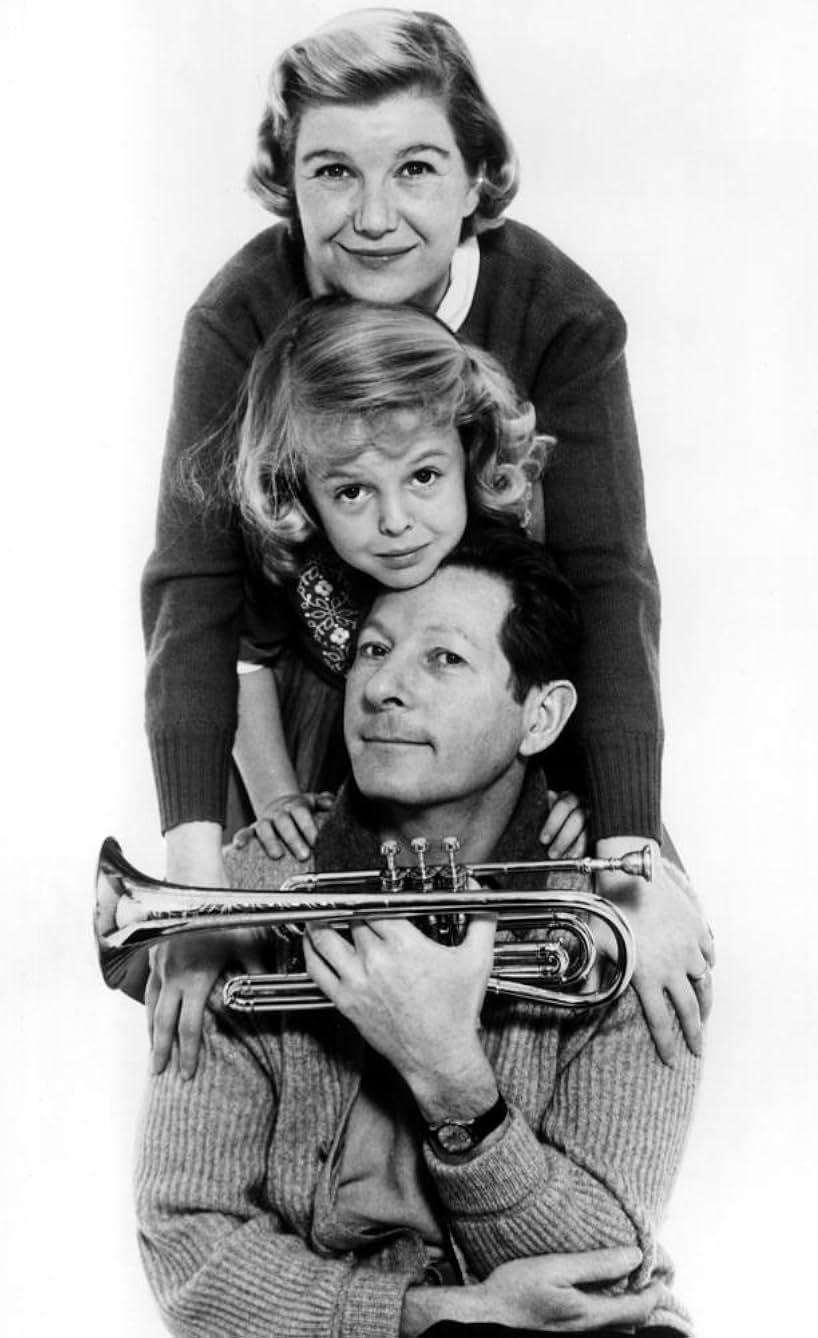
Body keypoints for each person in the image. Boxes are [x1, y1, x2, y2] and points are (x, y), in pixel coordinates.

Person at [142, 7, 713, 1076]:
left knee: (637, 945)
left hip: (503, 671)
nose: (369, 218)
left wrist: (624, 837)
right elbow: (196, 597)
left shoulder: (561, 312)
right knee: (255, 974)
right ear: (286, 181)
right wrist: (197, 875)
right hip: (312, 682)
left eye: (412, 168)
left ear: (477, 176)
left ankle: (555, 1202)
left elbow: (606, 578)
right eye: (329, 174)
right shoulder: (236, 315)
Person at [136, 530, 704, 1337]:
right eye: (372, 650)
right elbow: (186, 1246)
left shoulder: (635, 919)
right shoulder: (252, 890)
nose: (382, 690)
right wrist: (435, 1317)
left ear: (541, 716)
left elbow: (606, 1267)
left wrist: (448, 1075)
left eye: (444, 659)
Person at [227, 294, 582, 861]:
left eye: (423, 475)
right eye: (351, 491)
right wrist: (277, 799)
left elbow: (540, 681)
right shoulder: (295, 558)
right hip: (326, 719)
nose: (395, 523)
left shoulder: (511, 532)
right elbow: (245, 663)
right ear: (303, 496)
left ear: (469, 448)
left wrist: (582, 794)